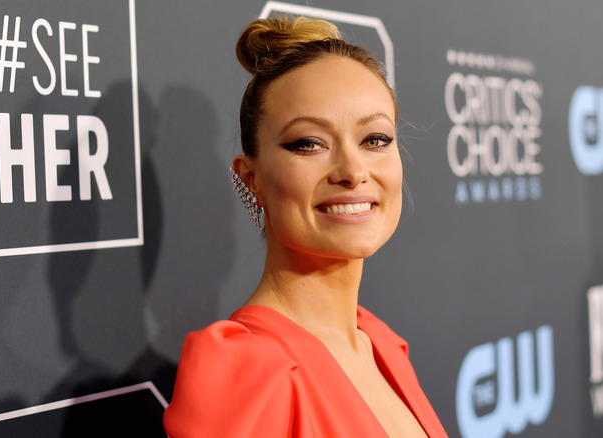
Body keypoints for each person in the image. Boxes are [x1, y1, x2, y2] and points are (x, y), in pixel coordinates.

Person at [164, 16, 447, 437]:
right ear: (251, 178)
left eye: (375, 139)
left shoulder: (381, 343)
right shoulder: (243, 372)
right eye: (308, 143)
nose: (353, 171)